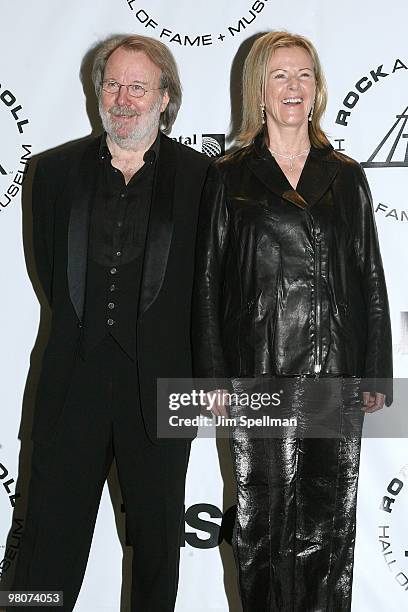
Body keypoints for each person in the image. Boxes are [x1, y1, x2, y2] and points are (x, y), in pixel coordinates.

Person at [193, 31, 392, 611]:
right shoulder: (228, 178)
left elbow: (370, 278)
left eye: (304, 74)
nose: (293, 86)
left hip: (334, 370)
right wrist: (212, 378)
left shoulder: (347, 176)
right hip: (259, 371)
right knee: (261, 526)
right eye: (280, 75)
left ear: (319, 88)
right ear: (259, 90)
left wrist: (375, 371)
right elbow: (207, 283)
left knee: (329, 527)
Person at [11, 34, 210, 611]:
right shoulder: (50, 174)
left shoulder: (202, 181)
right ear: (98, 91)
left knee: (156, 550)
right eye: (112, 84)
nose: (122, 98)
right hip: (71, 382)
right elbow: (50, 276)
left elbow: (208, 291)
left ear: (165, 97)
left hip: (165, 389)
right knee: (47, 547)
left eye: (137, 87)